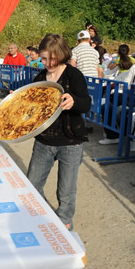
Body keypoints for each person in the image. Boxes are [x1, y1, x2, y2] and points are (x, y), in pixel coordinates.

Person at [26, 33, 91, 231]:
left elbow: (86, 103)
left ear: (61, 54)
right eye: (44, 58)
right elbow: (32, 109)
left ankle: (64, 224)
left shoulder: (73, 75)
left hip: (71, 143)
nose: (47, 63)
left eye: (52, 58)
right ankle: (46, 217)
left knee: (66, 192)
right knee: (32, 186)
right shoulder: (39, 77)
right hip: (44, 142)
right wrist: (19, 102)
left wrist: (75, 102)